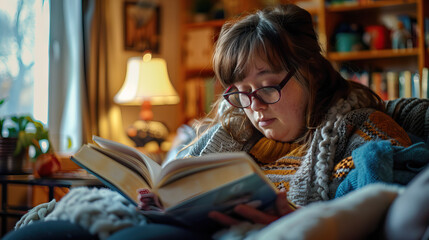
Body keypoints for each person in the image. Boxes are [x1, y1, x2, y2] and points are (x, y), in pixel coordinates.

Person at [5, 4, 428, 240]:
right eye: (239, 92)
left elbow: (373, 207)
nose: (254, 106)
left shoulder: (363, 131)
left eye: (267, 86)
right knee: (47, 235)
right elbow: (173, 179)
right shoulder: (227, 134)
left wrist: (291, 215)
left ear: (312, 73)